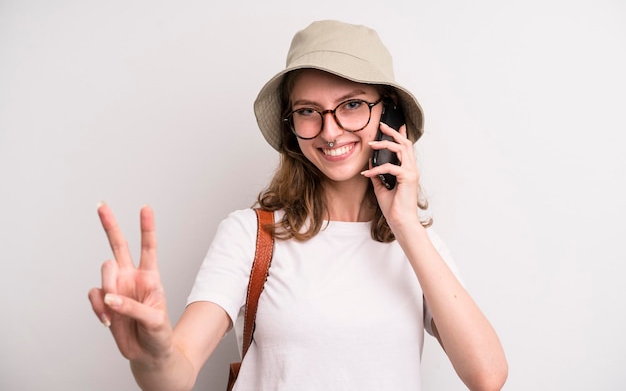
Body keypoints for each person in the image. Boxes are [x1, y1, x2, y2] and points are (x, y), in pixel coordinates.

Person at [88, 20, 508, 391]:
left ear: (390, 117)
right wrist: (152, 355)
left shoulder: (418, 246)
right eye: (308, 111)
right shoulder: (249, 235)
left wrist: (404, 223)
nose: (330, 131)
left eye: (352, 105)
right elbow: (175, 374)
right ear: (292, 128)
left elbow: (487, 377)